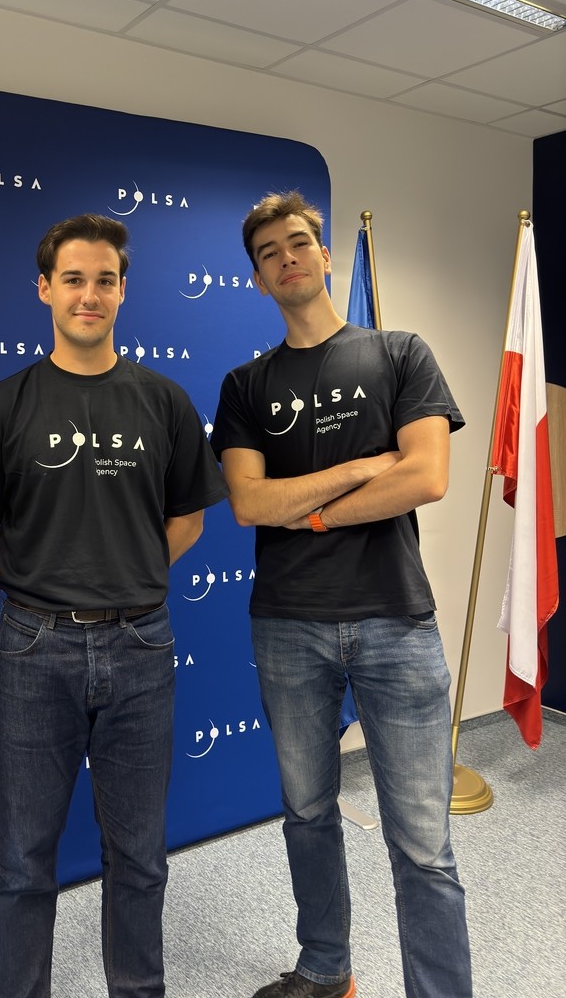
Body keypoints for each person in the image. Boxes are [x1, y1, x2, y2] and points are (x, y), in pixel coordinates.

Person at [0, 213, 227, 998]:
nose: (89, 295)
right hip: (33, 651)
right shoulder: (3, 405)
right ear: (45, 289)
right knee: (24, 860)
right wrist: (46, 589)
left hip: (143, 648)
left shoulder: (164, 401)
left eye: (105, 280)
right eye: (73, 279)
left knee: (139, 856)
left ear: (124, 290)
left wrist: (120, 575)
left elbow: (189, 520)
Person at [211, 191, 471, 998]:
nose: (286, 257)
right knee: (307, 814)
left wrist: (314, 513)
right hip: (288, 627)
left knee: (423, 842)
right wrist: (361, 468)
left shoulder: (400, 354)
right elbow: (249, 502)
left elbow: (424, 475)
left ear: (325, 256)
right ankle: (326, 971)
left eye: (298, 243)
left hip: (397, 621)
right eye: (268, 253)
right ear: (257, 279)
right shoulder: (246, 385)